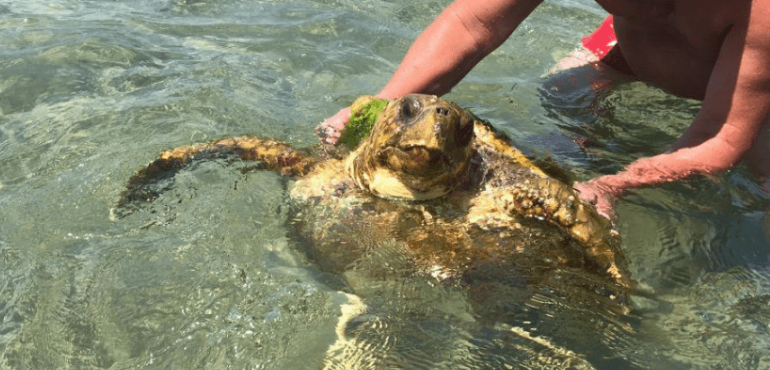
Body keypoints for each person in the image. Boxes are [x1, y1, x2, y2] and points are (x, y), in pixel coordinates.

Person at [316, 0, 770, 220]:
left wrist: (617, 184)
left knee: (757, 192)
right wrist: (381, 108)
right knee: (560, 96)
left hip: (752, 76)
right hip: (631, 46)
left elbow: (722, 134)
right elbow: (473, 23)